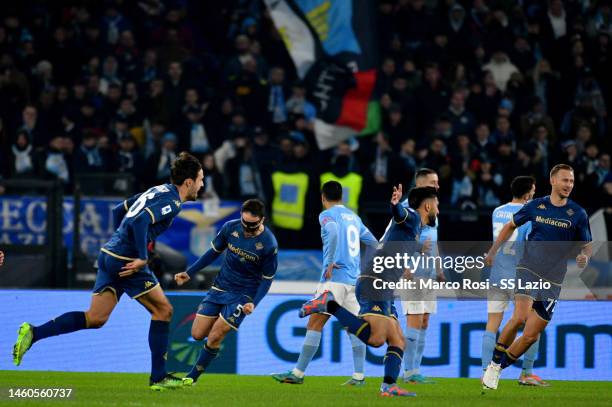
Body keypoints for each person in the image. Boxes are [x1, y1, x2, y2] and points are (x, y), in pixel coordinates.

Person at [12, 152, 204, 391]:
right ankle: (158, 378)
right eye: (200, 179)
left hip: (109, 256)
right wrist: (142, 257)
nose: (202, 184)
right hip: (127, 262)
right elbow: (139, 221)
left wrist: (119, 242)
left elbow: (117, 210)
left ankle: (34, 332)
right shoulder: (173, 202)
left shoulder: (156, 190)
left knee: (96, 318)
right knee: (164, 310)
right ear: (188, 182)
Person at [300, 185, 439, 397]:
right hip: (377, 281)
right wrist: (395, 206)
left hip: (383, 283)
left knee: (397, 340)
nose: (438, 209)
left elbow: (391, 241)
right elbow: (400, 215)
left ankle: (388, 386)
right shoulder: (410, 217)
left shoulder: (415, 228)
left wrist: (417, 249)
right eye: (436, 204)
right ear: (427, 205)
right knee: (375, 339)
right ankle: (329, 304)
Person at [482, 164, 592, 390]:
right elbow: (510, 225)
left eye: (571, 181)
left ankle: (500, 368)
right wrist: (493, 251)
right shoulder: (535, 205)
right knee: (520, 317)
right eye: (564, 180)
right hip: (528, 268)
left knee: (531, 335)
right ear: (553, 181)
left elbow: (587, 245)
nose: (568, 185)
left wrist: (584, 256)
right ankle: (492, 365)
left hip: (554, 278)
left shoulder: (578, 213)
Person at [271, 181, 378, 386]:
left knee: (315, 323)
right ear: (342, 197)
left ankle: (298, 374)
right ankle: (359, 377)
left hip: (334, 280)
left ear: (323, 197)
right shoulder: (354, 217)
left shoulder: (326, 215)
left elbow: (333, 230)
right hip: (353, 281)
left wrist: (329, 262)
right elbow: (374, 243)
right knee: (353, 327)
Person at [175, 199, 278, 386]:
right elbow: (213, 252)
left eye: (252, 226)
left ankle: (191, 377)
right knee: (198, 334)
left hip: (244, 294)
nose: (247, 229)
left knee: (215, 335)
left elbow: (267, 279)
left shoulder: (269, 244)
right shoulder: (230, 228)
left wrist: (254, 302)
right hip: (220, 287)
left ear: (262, 220)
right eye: (245, 223)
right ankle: (214, 334)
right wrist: (189, 273)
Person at [481, 176, 549, 386]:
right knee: (532, 324)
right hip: (520, 275)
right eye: (534, 190)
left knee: (492, 324)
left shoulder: (497, 211)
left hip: (496, 274)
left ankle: (486, 371)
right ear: (528, 193)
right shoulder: (530, 214)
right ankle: (526, 373)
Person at [400, 168, 442, 384]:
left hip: (428, 275)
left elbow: (433, 242)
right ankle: (409, 372)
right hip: (412, 275)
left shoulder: (433, 207)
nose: (437, 185)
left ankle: (415, 369)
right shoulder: (406, 209)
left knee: (424, 321)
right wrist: (405, 266)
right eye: (433, 182)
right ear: (420, 184)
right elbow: (394, 239)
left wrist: (439, 269)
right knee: (414, 321)